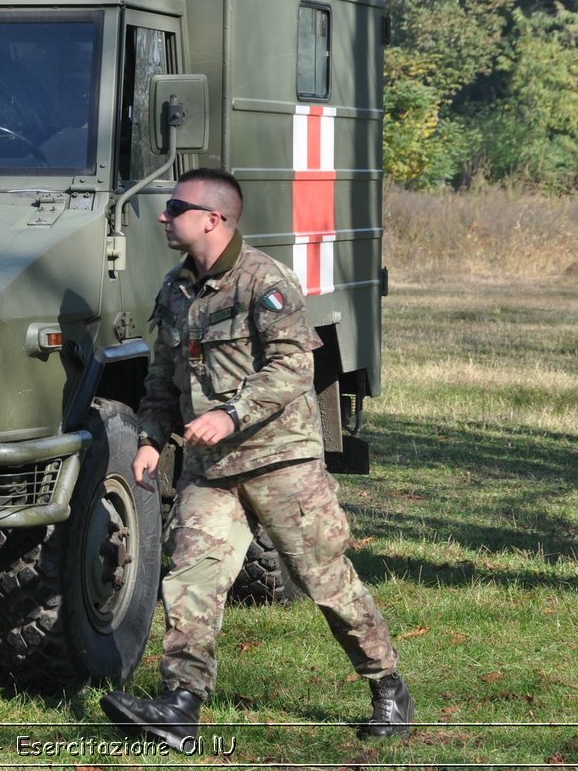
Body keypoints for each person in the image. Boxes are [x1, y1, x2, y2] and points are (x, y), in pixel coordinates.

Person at [101, 167, 412, 751]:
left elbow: (294, 367)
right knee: (192, 579)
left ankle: (387, 686)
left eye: (175, 208)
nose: (164, 217)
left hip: (281, 462)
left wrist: (230, 415)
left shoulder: (265, 282)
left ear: (212, 219)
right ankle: (180, 706)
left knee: (325, 580)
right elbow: (163, 380)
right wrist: (148, 437)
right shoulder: (175, 289)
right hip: (212, 470)